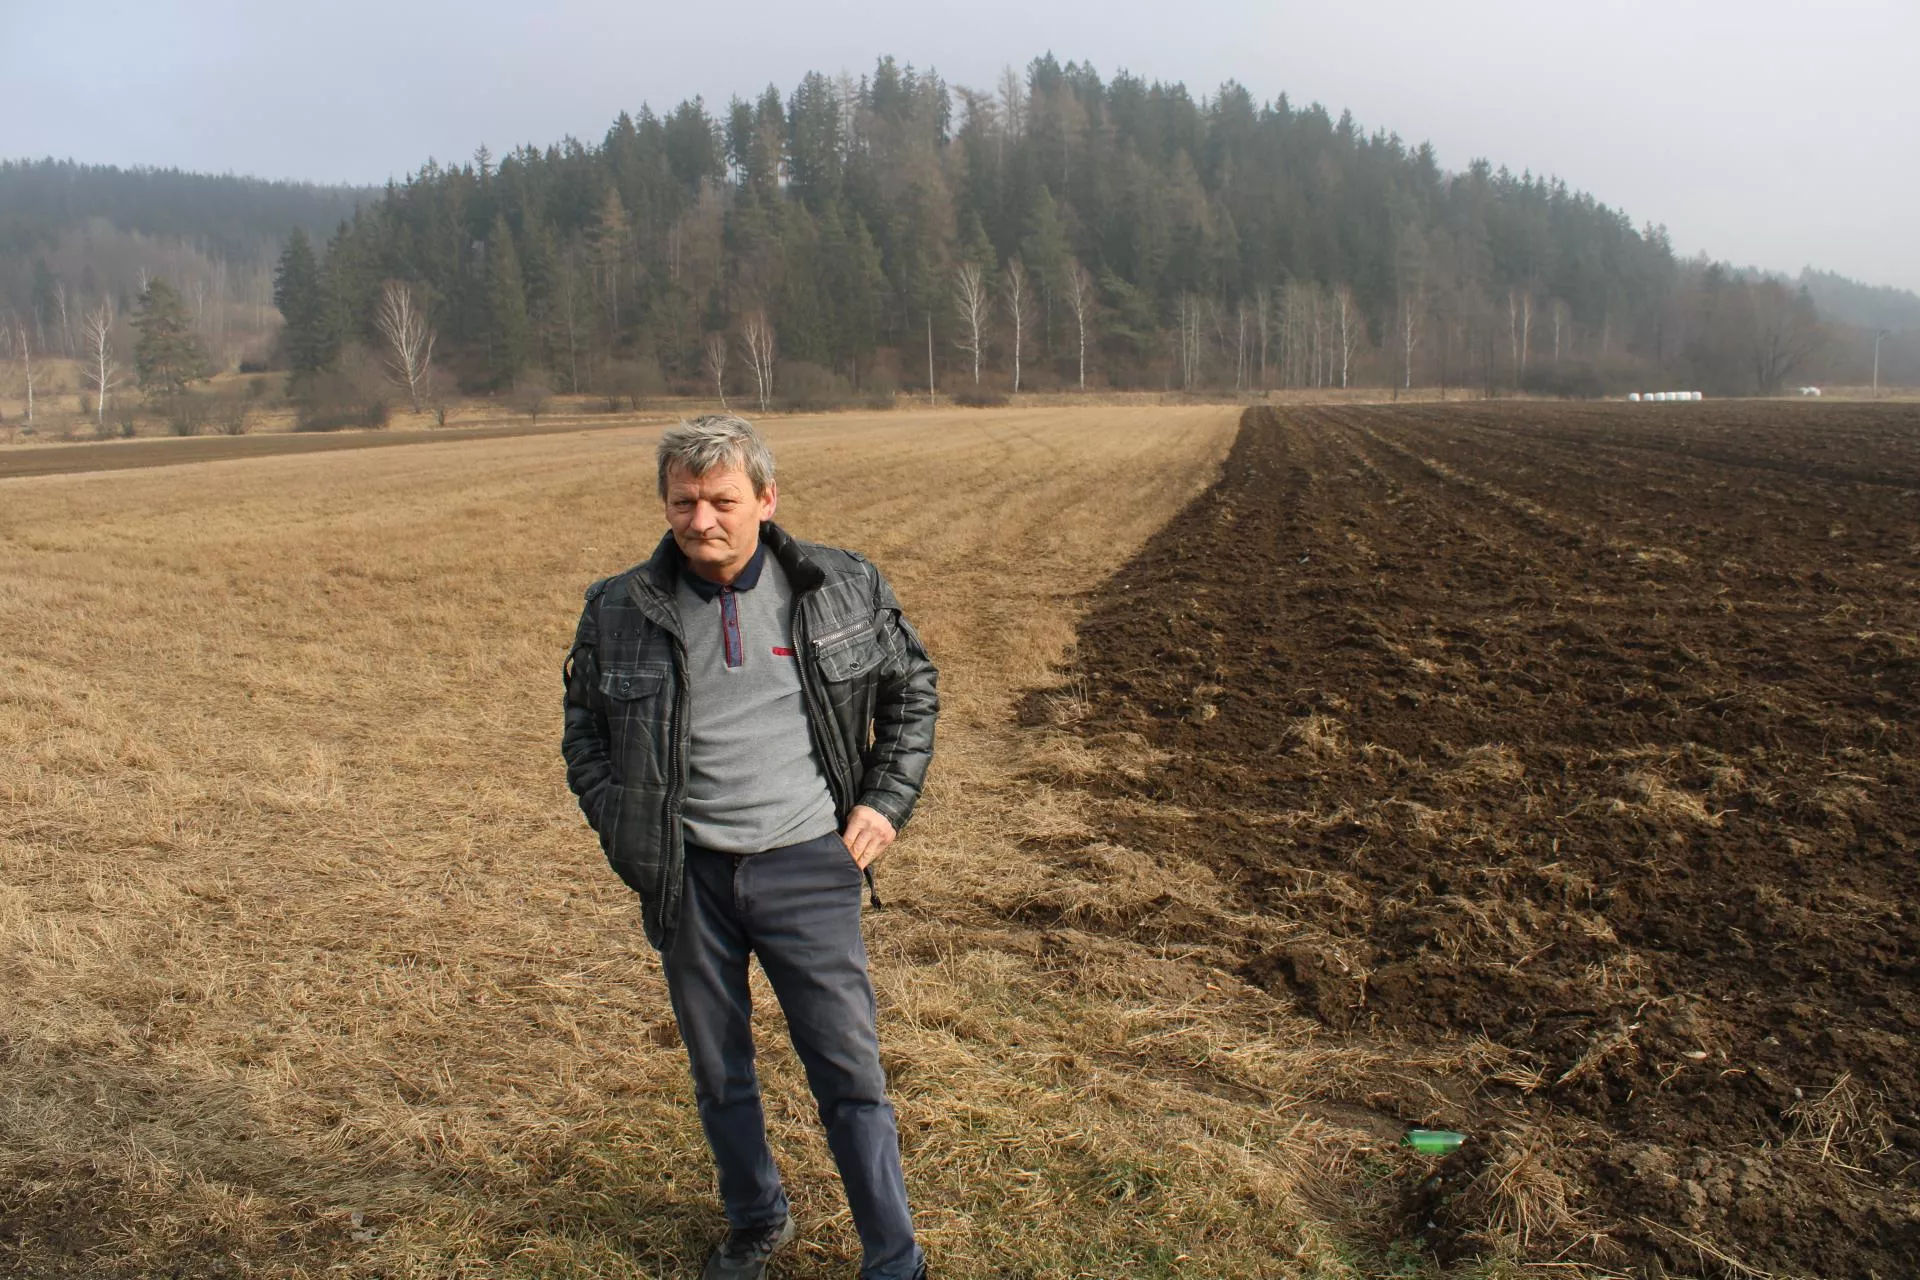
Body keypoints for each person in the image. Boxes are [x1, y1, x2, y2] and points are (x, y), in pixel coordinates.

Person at [562, 414, 938, 1280]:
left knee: (849, 1074)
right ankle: (756, 1219)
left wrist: (885, 802)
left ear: (766, 500)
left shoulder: (840, 585)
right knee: (719, 1072)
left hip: (809, 865)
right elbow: (584, 730)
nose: (701, 521)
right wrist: (625, 827)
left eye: (722, 501)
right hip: (687, 877)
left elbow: (913, 689)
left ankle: (893, 1259)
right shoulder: (619, 608)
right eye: (683, 502)